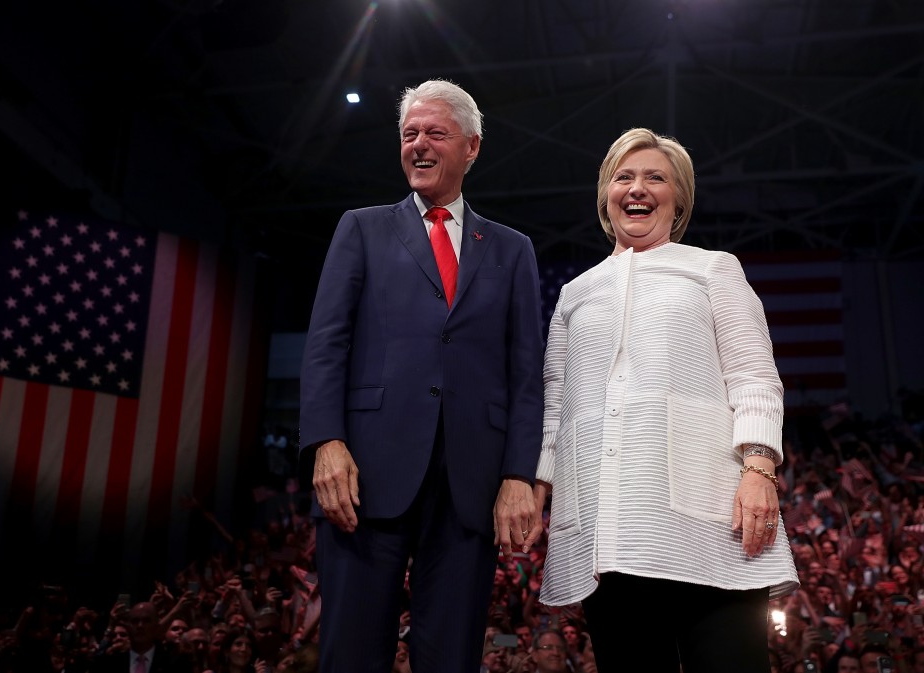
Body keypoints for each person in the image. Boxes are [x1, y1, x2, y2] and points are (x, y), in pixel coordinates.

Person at [531, 127, 799, 673]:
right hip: (609, 537)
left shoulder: (713, 269)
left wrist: (760, 468)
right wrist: (538, 488)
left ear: (678, 200)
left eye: (656, 178)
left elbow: (754, 376)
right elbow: (555, 407)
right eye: (624, 177)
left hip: (712, 527)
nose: (639, 188)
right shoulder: (575, 294)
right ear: (607, 194)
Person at [300, 78, 545, 672]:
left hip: (470, 485)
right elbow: (326, 343)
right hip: (364, 475)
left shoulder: (513, 250)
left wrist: (519, 474)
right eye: (409, 134)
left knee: (451, 659)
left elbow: (525, 375)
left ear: (472, 147)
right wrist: (325, 442)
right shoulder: (360, 229)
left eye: (436, 132)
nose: (419, 145)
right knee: (351, 654)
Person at [89, 602, 191, 673]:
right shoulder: (113, 662)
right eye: (135, 621)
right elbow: (95, 666)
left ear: (157, 625)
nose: (140, 626)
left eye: (146, 621)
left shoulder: (173, 663)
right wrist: (110, 627)